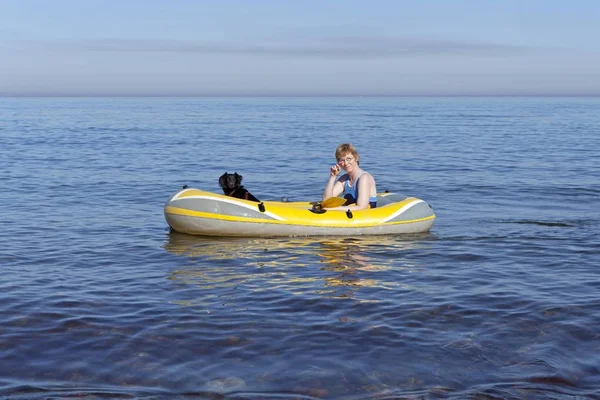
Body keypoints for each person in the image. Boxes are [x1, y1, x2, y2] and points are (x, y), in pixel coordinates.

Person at [323, 143, 377, 210]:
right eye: (342, 160)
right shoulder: (344, 179)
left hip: (367, 217)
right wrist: (332, 177)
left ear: (356, 158)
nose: (345, 163)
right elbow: (326, 201)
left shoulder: (364, 178)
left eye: (348, 159)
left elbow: (362, 207)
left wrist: (333, 209)